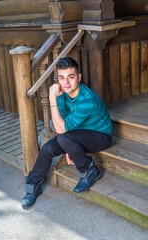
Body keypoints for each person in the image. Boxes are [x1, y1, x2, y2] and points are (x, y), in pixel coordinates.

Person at [21, 57, 112, 209]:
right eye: (61, 78)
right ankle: (32, 186)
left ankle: (89, 171)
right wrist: (71, 147)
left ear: (79, 77)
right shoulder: (62, 96)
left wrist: (51, 97)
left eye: (71, 77)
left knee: (64, 138)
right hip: (76, 133)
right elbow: (61, 126)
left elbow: (61, 130)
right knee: (47, 149)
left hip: (100, 135)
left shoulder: (87, 99)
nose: (66, 82)